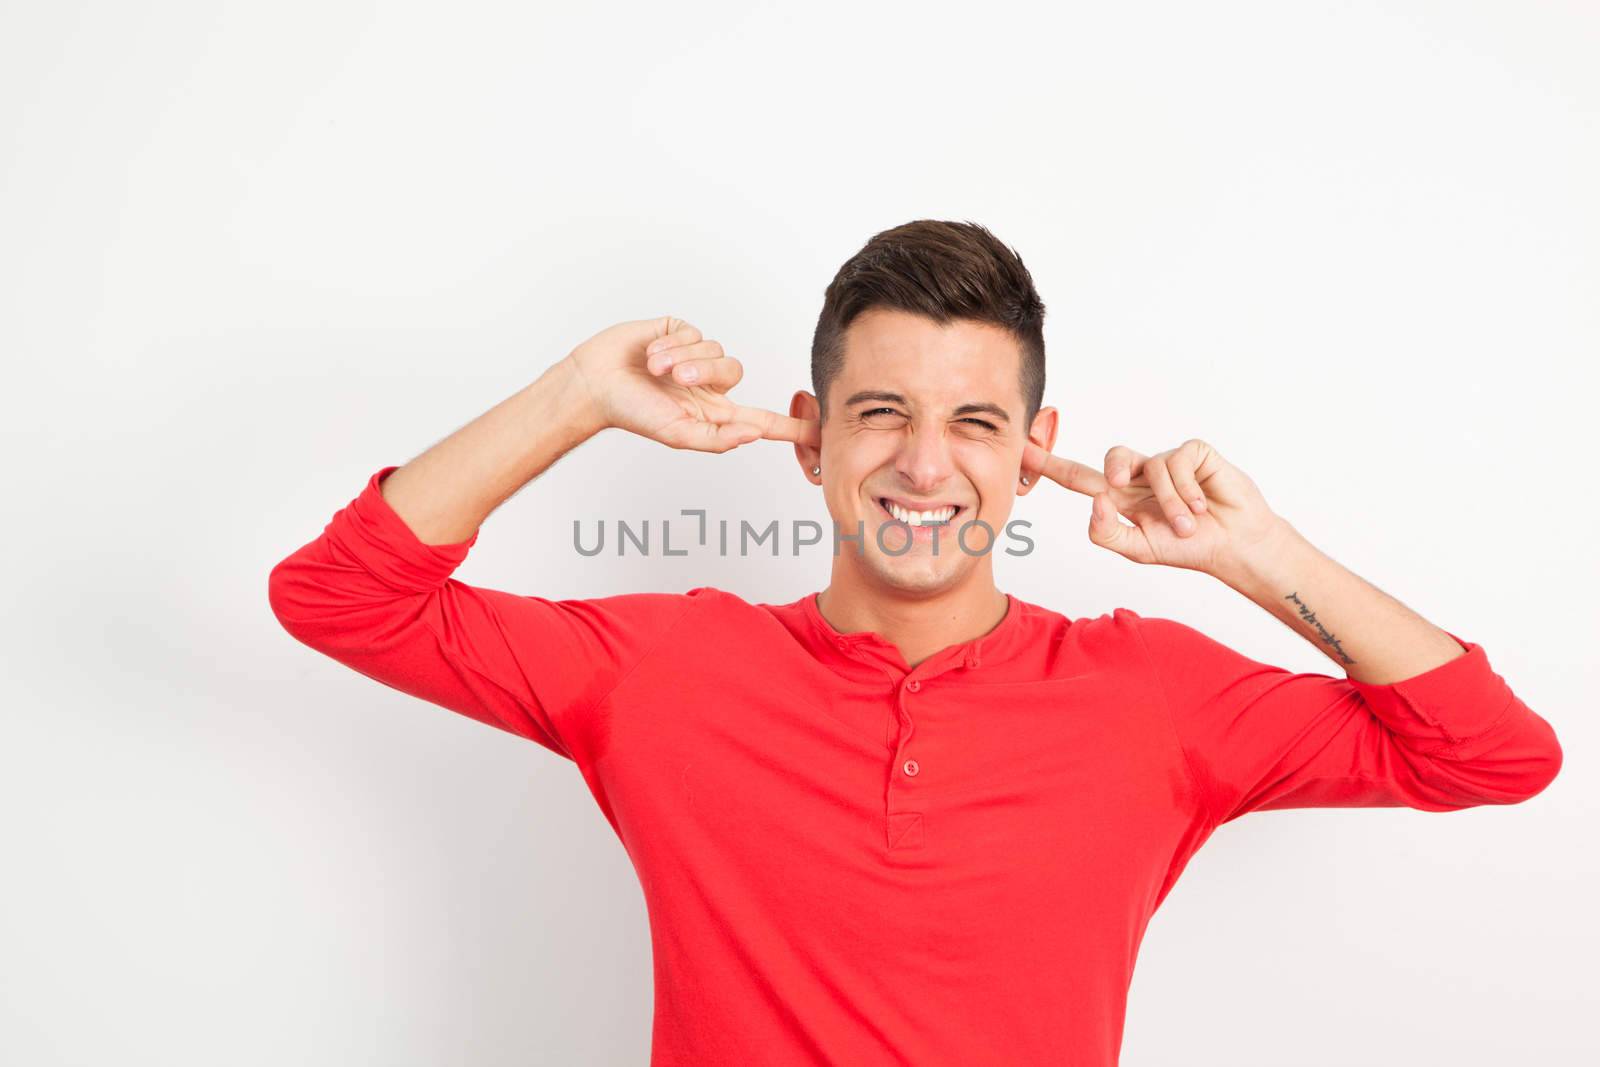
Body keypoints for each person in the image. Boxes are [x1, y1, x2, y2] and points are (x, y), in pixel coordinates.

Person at [267, 219, 1563, 1066]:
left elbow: (1491, 754)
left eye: (977, 425)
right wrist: (576, 401)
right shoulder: (663, 672)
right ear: (810, 436)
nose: (926, 465)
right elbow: (339, 600)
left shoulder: (1147, 696)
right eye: (880, 413)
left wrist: (1254, 553)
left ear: (1031, 454)